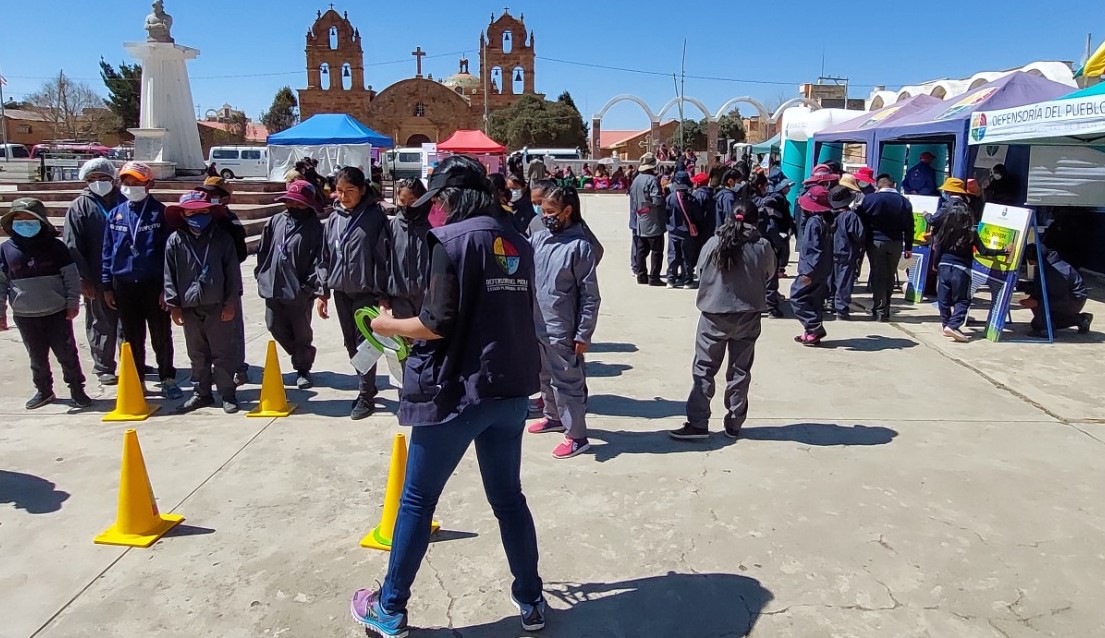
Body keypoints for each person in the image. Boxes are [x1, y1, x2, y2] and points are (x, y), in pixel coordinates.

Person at [350, 156, 546, 636]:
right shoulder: (518, 241)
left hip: (457, 393)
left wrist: (384, 324)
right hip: (510, 389)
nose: (433, 208)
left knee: (416, 500)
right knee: (508, 498)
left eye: (437, 200)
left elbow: (435, 324)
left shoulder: (451, 241)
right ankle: (532, 600)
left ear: (451, 198)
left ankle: (390, 608)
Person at [670, 201, 775, 441]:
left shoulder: (713, 242)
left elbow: (700, 271)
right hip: (748, 314)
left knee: (704, 369)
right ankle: (734, 423)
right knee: (740, 370)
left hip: (714, 314)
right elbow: (768, 274)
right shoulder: (762, 246)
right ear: (755, 220)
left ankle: (698, 423)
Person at [527, 185, 601, 459]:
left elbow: (590, 295)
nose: (544, 216)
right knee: (544, 376)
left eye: (550, 212)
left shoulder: (580, 247)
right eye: (542, 211)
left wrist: (584, 333)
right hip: (537, 323)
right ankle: (553, 416)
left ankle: (577, 435)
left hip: (563, 328)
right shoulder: (539, 239)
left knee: (567, 382)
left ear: (567, 211)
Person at [0, 198, 92, 410]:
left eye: (29, 219)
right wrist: (1, 312)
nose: (24, 223)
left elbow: (70, 276)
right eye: (19, 219)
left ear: (41, 222)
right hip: (25, 315)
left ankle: (77, 389)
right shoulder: (6, 250)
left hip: (57, 312)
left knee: (67, 354)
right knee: (36, 356)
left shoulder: (56, 247)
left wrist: (72, 302)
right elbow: (2, 283)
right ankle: (44, 390)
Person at [101, 161, 181, 399]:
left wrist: (167, 289)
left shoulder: (161, 213)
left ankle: (167, 377)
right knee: (130, 335)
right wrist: (106, 285)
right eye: (127, 182)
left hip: (153, 284)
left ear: (150, 184)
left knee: (160, 334)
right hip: (123, 284)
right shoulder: (115, 214)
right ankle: (137, 380)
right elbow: (107, 251)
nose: (131, 187)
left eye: (137, 183)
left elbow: (169, 254)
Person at [316, 166, 390, 420]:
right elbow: (325, 256)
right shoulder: (334, 219)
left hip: (367, 292)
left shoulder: (375, 217)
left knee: (365, 344)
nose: (344, 196)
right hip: (341, 291)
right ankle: (367, 384)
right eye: (340, 191)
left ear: (362, 190)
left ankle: (365, 396)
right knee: (350, 344)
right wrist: (322, 291)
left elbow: (383, 257)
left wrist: (383, 294)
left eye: (350, 191)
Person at [163, 191, 244, 413]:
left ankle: (228, 394)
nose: (197, 215)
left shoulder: (222, 238)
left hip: (218, 305)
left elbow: (232, 273)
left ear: (210, 212)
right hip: (189, 306)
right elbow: (169, 275)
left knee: (223, 352)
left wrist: (231, 303)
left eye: (202, 211)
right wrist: (173, 305)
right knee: (197, 354)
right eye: (192, 211)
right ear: (183, 214)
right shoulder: (175, 240)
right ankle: (201, 393)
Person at [254, 180, 324, 389]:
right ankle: (300, 355)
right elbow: (263, 250)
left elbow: (320, 261)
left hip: (298, 292)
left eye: (299, 204)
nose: (294, 207)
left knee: (301, 331)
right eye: (290, 202)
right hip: (272, 287)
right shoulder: (276, 221)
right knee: (273, 325)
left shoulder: (315, 228)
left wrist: (308, 287)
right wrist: (261, 273)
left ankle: (303, 368)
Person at [64, 157, 122, 385]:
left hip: (126, 275)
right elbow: (72, 246)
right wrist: (82, 279)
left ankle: (132, 359)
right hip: (96, 276)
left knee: (128, 322)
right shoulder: (80, 206)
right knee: (101, 322)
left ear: (112, 178)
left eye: (103, 178)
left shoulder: (124, 200)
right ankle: (104, 366)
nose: (99, 182)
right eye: (93, 179)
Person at [928, 193, 1007, 342]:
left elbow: (937, 248)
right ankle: (953, 325)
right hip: (961, 269)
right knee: (963, 300)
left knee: (943, 299)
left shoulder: (943, 230)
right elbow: (984, 251)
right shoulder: (971, 232)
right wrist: (1004, 250)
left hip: (944, 266)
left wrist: (936, 264)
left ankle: (946, 324)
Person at [195, 176, 249, 386]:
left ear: (225, 199)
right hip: (199, 287)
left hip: (227, 285)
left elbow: (241, 252)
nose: (209, 198)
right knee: (202, 335)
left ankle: (239, 368)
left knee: (232, 329)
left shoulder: (230, 219)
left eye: (214, 195)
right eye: (206, 194)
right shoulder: (195, 218)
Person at [857, 174, 914, 322]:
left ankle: (879, 308)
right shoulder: (904, 202)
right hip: (895, 243)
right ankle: (886, 309)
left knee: (877, 274)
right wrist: (908, 247)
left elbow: (861, 221)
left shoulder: (870, 199)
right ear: (893, 184)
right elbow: (909, 226)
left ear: (878, 185)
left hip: (875, 242)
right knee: (890, 275)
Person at [790, 186, 833, 345]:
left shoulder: (814, 222)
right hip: (824, 268)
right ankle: (810, 334)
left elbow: (813, 249)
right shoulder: (828, 220)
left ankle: (814, 327)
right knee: (814, 300)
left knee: (797, 297)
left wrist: (807, 272)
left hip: (811, 269)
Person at [1020, 244, 1093, 338]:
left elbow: (1060, 297)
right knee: (1040, 315)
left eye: (1030, 261)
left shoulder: (1056, 271)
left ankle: (1047, 329)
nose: (1030, 263)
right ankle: (1080, 319)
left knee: (1040, 324)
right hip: (1065, 296)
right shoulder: (1046, 265)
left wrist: (1037, 303)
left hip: (1073, 299)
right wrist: (1021, 286)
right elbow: (1039, 286)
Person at [387, 178, 433, 320]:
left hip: (427, 298)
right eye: (402, 200)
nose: (407, 205)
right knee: (403, 340)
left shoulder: (432, 227)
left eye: (412, 201)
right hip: (399, 297)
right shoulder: (391, 227)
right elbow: (382, 261)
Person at [828, 185, 864, 320]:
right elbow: (858, 235)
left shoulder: (827, 215)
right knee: (844, 282)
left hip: (829, 252)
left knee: (829, 278)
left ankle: (829, 302)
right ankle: (841, 310)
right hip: (846, 252)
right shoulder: (850, 216)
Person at [630, 153, 666, 286]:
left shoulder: (636, 180)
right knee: (656, 251)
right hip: (653, 221)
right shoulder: (652, 180)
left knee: (641, 250)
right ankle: (654, 277)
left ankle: (641, 275)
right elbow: (657, 200)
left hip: (640, 220)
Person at [665, 171, 703, 288]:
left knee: (673, 255)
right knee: (686, 256)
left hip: (673, 231)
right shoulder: (692, 200)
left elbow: (666, 214)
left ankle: (671, 279)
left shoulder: (670, 198)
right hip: (686, 233)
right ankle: (687, 280)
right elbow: (698, 217)